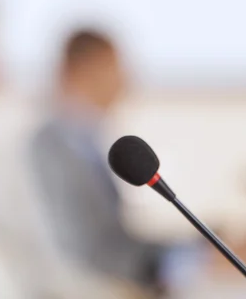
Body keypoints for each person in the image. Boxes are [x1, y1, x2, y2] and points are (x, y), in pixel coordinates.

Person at [29, 27, 163, 294]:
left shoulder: (86, 138)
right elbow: (83, 248)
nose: (126, 80)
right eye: (117, 67)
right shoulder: (52, 145)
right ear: (87, 70)